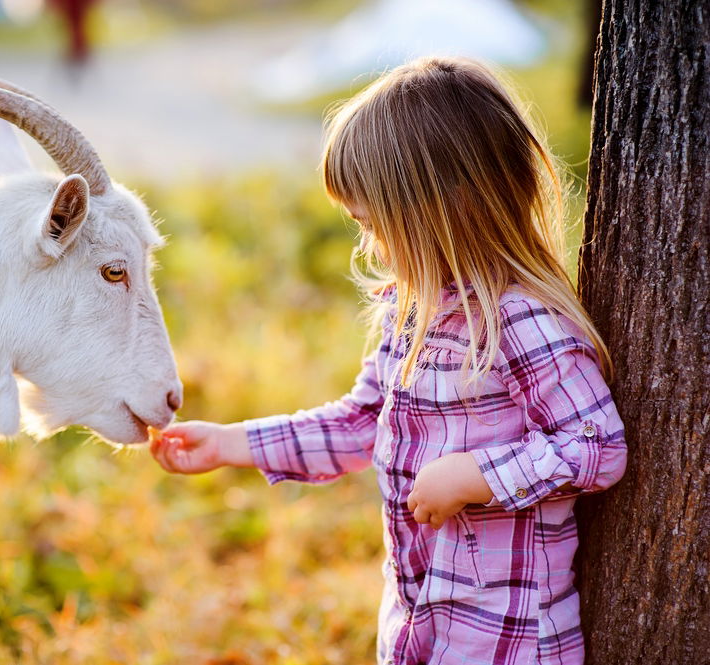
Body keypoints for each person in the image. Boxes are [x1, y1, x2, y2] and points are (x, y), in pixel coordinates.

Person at [149, 56, 627, 665]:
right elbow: (358, 423)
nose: (369, 246)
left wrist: (477, 476)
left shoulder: (521, 321)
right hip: (421, 616)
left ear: (446, 207)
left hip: (506, 639)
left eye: (375, 224)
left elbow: (596, 444)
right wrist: (231, 443)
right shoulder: (411, 313)